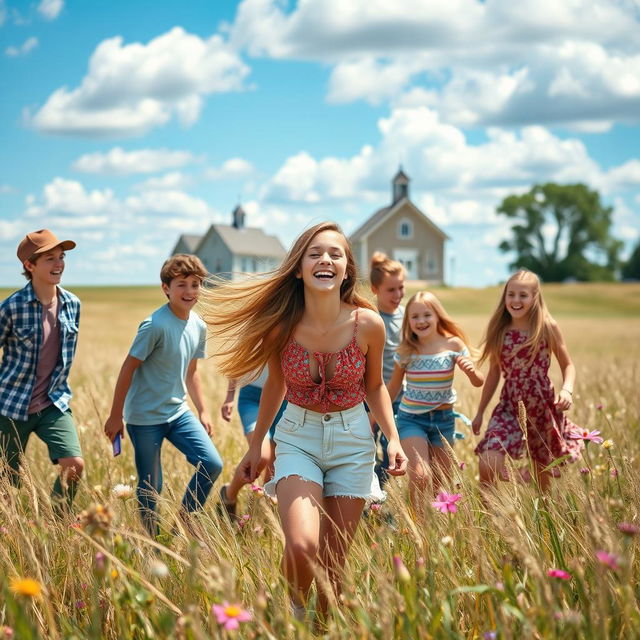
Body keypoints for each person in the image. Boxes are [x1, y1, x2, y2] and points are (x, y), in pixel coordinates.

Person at [202, 221, 408, 620]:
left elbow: (375, 388)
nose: (325, 259)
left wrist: (394, 440)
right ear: (299, 268)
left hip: (353, 442)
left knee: (333, 567)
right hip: (298, 437)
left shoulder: (368, 324)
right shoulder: (283, 325)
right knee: (301, 546)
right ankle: (295, 612)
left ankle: (322, 627)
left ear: (347, 269)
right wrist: (254, 443)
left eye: (335, 253)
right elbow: (275, 387)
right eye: (314, 253)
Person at [104, 254, 223, 537]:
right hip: (144, 418)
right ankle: (153, 542)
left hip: (178, 413)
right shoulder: (154, 325)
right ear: (165, 288)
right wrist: (115, 415)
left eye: (195, 285)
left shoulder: (198, 325)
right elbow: (128, 368)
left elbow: (191, 371)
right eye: (182, 284)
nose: (189, 292)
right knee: (151, 486)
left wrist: (203, 411)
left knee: (212, 464)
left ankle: (183, 523)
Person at [472, 269, 583, 490]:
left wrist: (567, 390)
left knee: (542, 475)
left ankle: (542, 514)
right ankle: (489, 517)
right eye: (511, 294)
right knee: (487, 462)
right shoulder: (500, 329)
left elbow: (567, 365)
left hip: (542, 408)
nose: (515, 300)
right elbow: (494, 373)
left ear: (535, 297)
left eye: (523, 295)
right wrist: (480, 411)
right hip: (509, 407)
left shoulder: (546, 327)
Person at [0, 229, 84, 512]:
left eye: (61, 257)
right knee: (6, 484)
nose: (59, 264)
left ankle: (57, 525)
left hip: (53, 403)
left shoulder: (73, 305)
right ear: (30, 265)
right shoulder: (11, 308)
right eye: (50, 259)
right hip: (11, 406)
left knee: (73, 465)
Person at [387, 291, 484, 513]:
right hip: (411, 420)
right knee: (420, 474)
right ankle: (416, 523)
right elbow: (393, 387)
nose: (421, 321)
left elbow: (479, 381)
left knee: (441, 480)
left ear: (438, 316)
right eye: (415, 317)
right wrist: (374, 418)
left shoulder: (453, 344)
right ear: (408, 321)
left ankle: (432, 525)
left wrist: (472, 372)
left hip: (444, 420)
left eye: (427, 315)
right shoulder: (406, 351)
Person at [217, 367, 287, 518]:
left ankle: (257, 518)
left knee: (275, 467)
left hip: (285, 397)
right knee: (262, 455)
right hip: (252, 395)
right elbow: (238, 357)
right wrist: (230, 396)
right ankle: (229, 495)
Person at [368, 252, 406, 484]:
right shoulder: (371, 317)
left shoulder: (408, 317)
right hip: (371, 397)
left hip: (401, 398)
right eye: (391, 290)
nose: (398, 295)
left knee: (392, 451)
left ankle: (381, 496)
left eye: (401, 288)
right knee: (366, 451)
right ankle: (366, 498)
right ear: (375, 289)